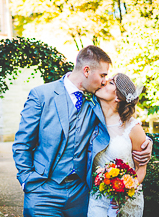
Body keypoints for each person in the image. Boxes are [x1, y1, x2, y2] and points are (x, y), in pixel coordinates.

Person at [12, 45, 151, 217]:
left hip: (81, 196)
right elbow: (22, 143)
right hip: (43, 192)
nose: (104, 82)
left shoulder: (96, 103)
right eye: (102, 75)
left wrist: (147, 145)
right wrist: (26, 180)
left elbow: (121, 125)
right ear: (86, 70)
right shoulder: (42, 95)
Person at [87, 73, 146, 216]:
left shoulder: (133, 128)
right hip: (98, 199)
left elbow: (141, 169)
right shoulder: (90, 119)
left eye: (111, 83)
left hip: (125, 201)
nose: (104, 82)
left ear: (118, 97)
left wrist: (125, 192)